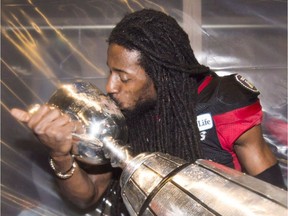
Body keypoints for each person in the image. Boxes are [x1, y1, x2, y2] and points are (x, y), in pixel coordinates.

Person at [10, 9, 286, 215]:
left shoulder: (222, 103)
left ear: (160, 75)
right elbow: (87, 196)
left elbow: (271, 198)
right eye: (110, 71)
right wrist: (60, 154)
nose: (110, 86)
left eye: (123, 76)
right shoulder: (120, 114)